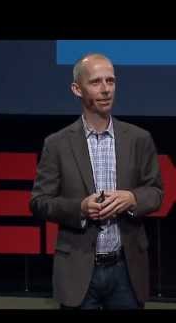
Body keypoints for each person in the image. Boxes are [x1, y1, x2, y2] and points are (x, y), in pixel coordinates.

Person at [30, 53, 163, 309]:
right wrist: (79, 208)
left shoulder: (138, 139)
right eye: (96, 82)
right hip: (79, 270)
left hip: (126, 270)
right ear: (76, 89)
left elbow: (156, 192)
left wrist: (132, 198)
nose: (105, 90)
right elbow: (39, 202)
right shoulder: (57, 144)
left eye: (110, 81)